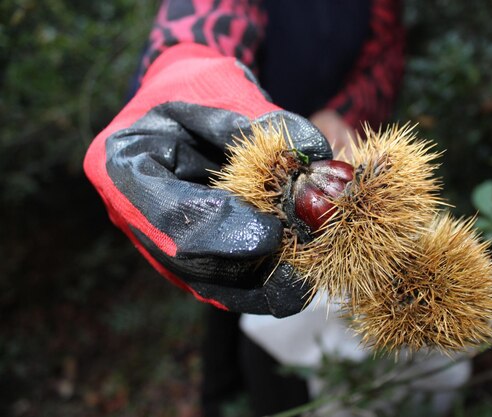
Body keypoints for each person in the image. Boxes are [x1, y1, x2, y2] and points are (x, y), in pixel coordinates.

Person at [84, 0, 405, 415]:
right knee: (224, 293)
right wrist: (186, 66)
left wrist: (345, 114)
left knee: (277, 354)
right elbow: (209, 15)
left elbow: (384, 59)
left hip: (327, 188)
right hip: (235, 163)